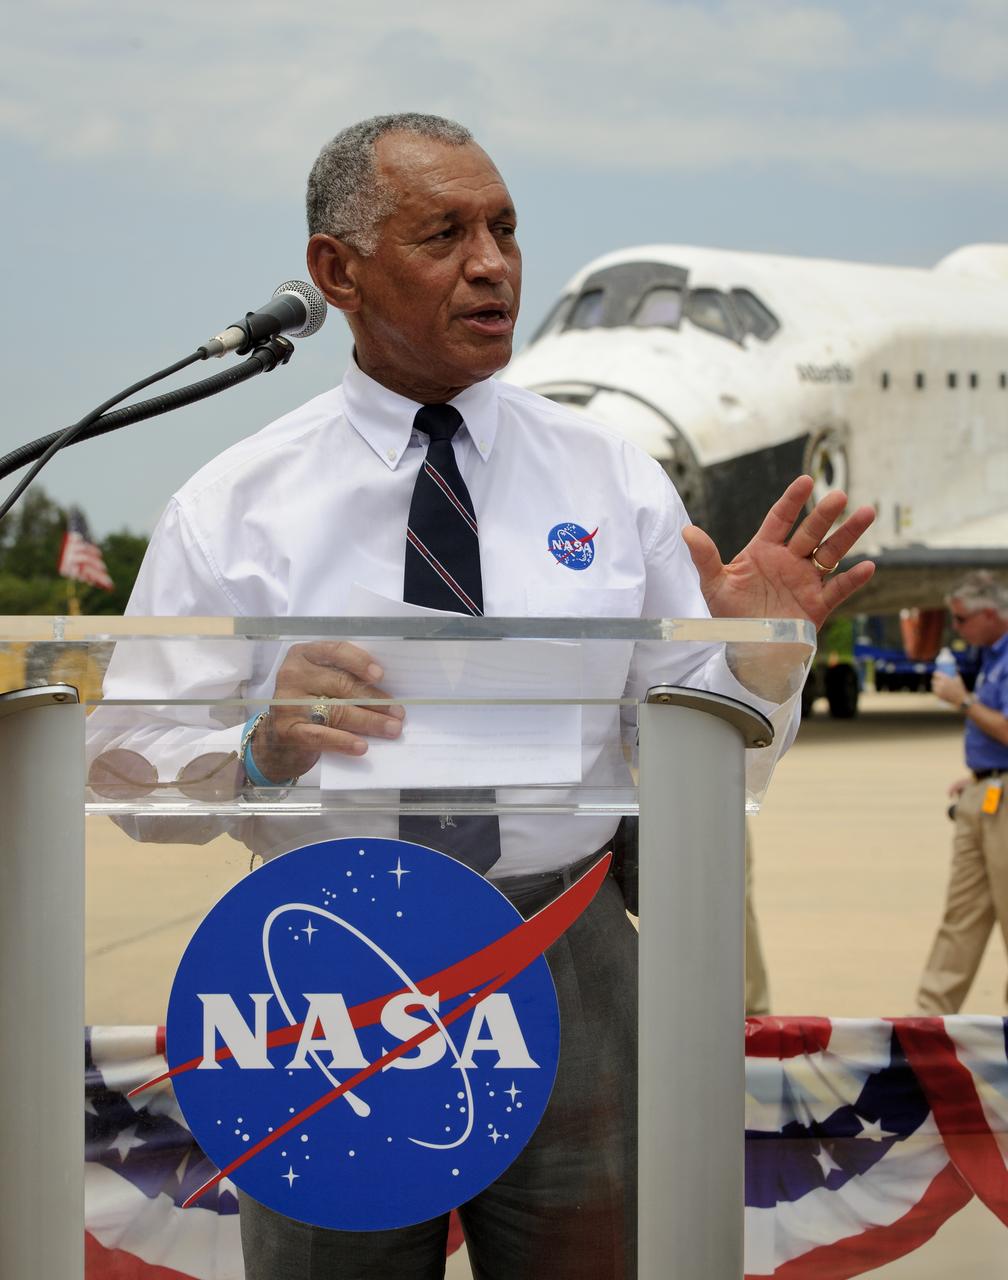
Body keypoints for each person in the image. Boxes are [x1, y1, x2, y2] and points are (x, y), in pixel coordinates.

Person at [100, 113, 875, 1279]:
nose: (494, 264)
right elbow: (128, 767)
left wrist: (757, 661)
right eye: (445, 233)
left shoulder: (612, 475)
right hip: (327, 975)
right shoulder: (234, 503)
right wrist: (258, 748)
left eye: (507, 229)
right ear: (335, 272)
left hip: (567, 952)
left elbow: (692, 755)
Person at [917, 571, 1008, 1014]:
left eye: (961, 620)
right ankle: (927, 1027)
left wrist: (964, 701)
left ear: (991, 613)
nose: (957, 629)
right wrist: (979, 776)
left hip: (1002, 800)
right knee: (961, 918)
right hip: (986, 794)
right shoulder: (992, 654)